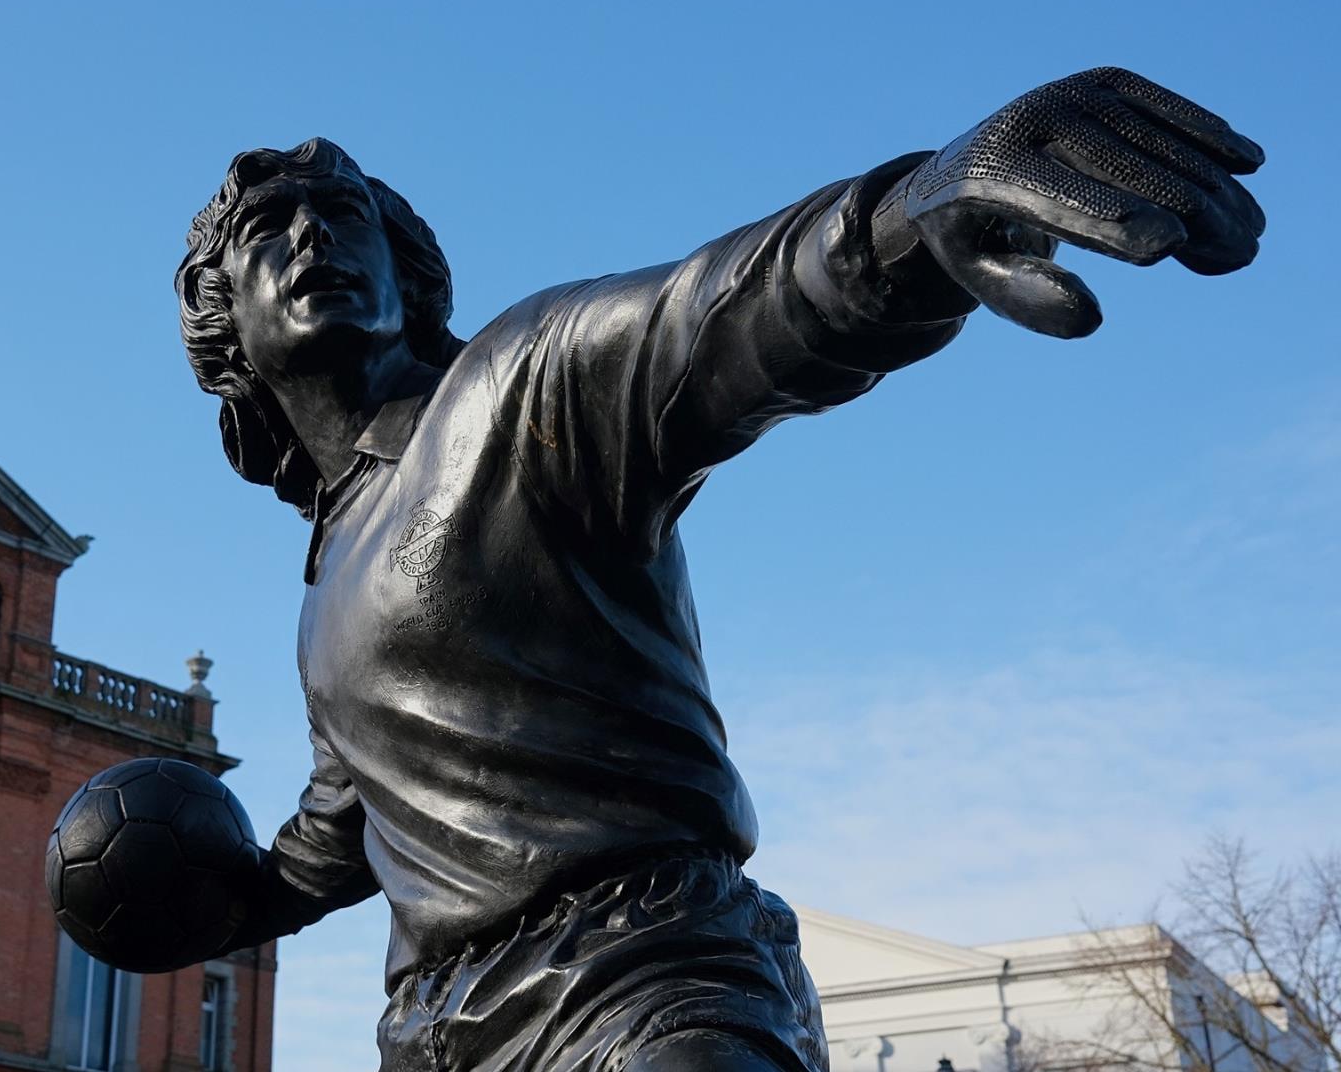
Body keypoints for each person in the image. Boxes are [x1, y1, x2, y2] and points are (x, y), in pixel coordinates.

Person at [170, 68, 1265, 1072]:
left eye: (344, 212)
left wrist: (913, 221)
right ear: (222, 323)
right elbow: (353, 815)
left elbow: (717, 314)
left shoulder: (515, 388)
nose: (314, 232)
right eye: (268, 227)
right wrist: (225, 899)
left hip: (642, 977)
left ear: (405, 279)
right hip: (443, 1034)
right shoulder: (325, 586)